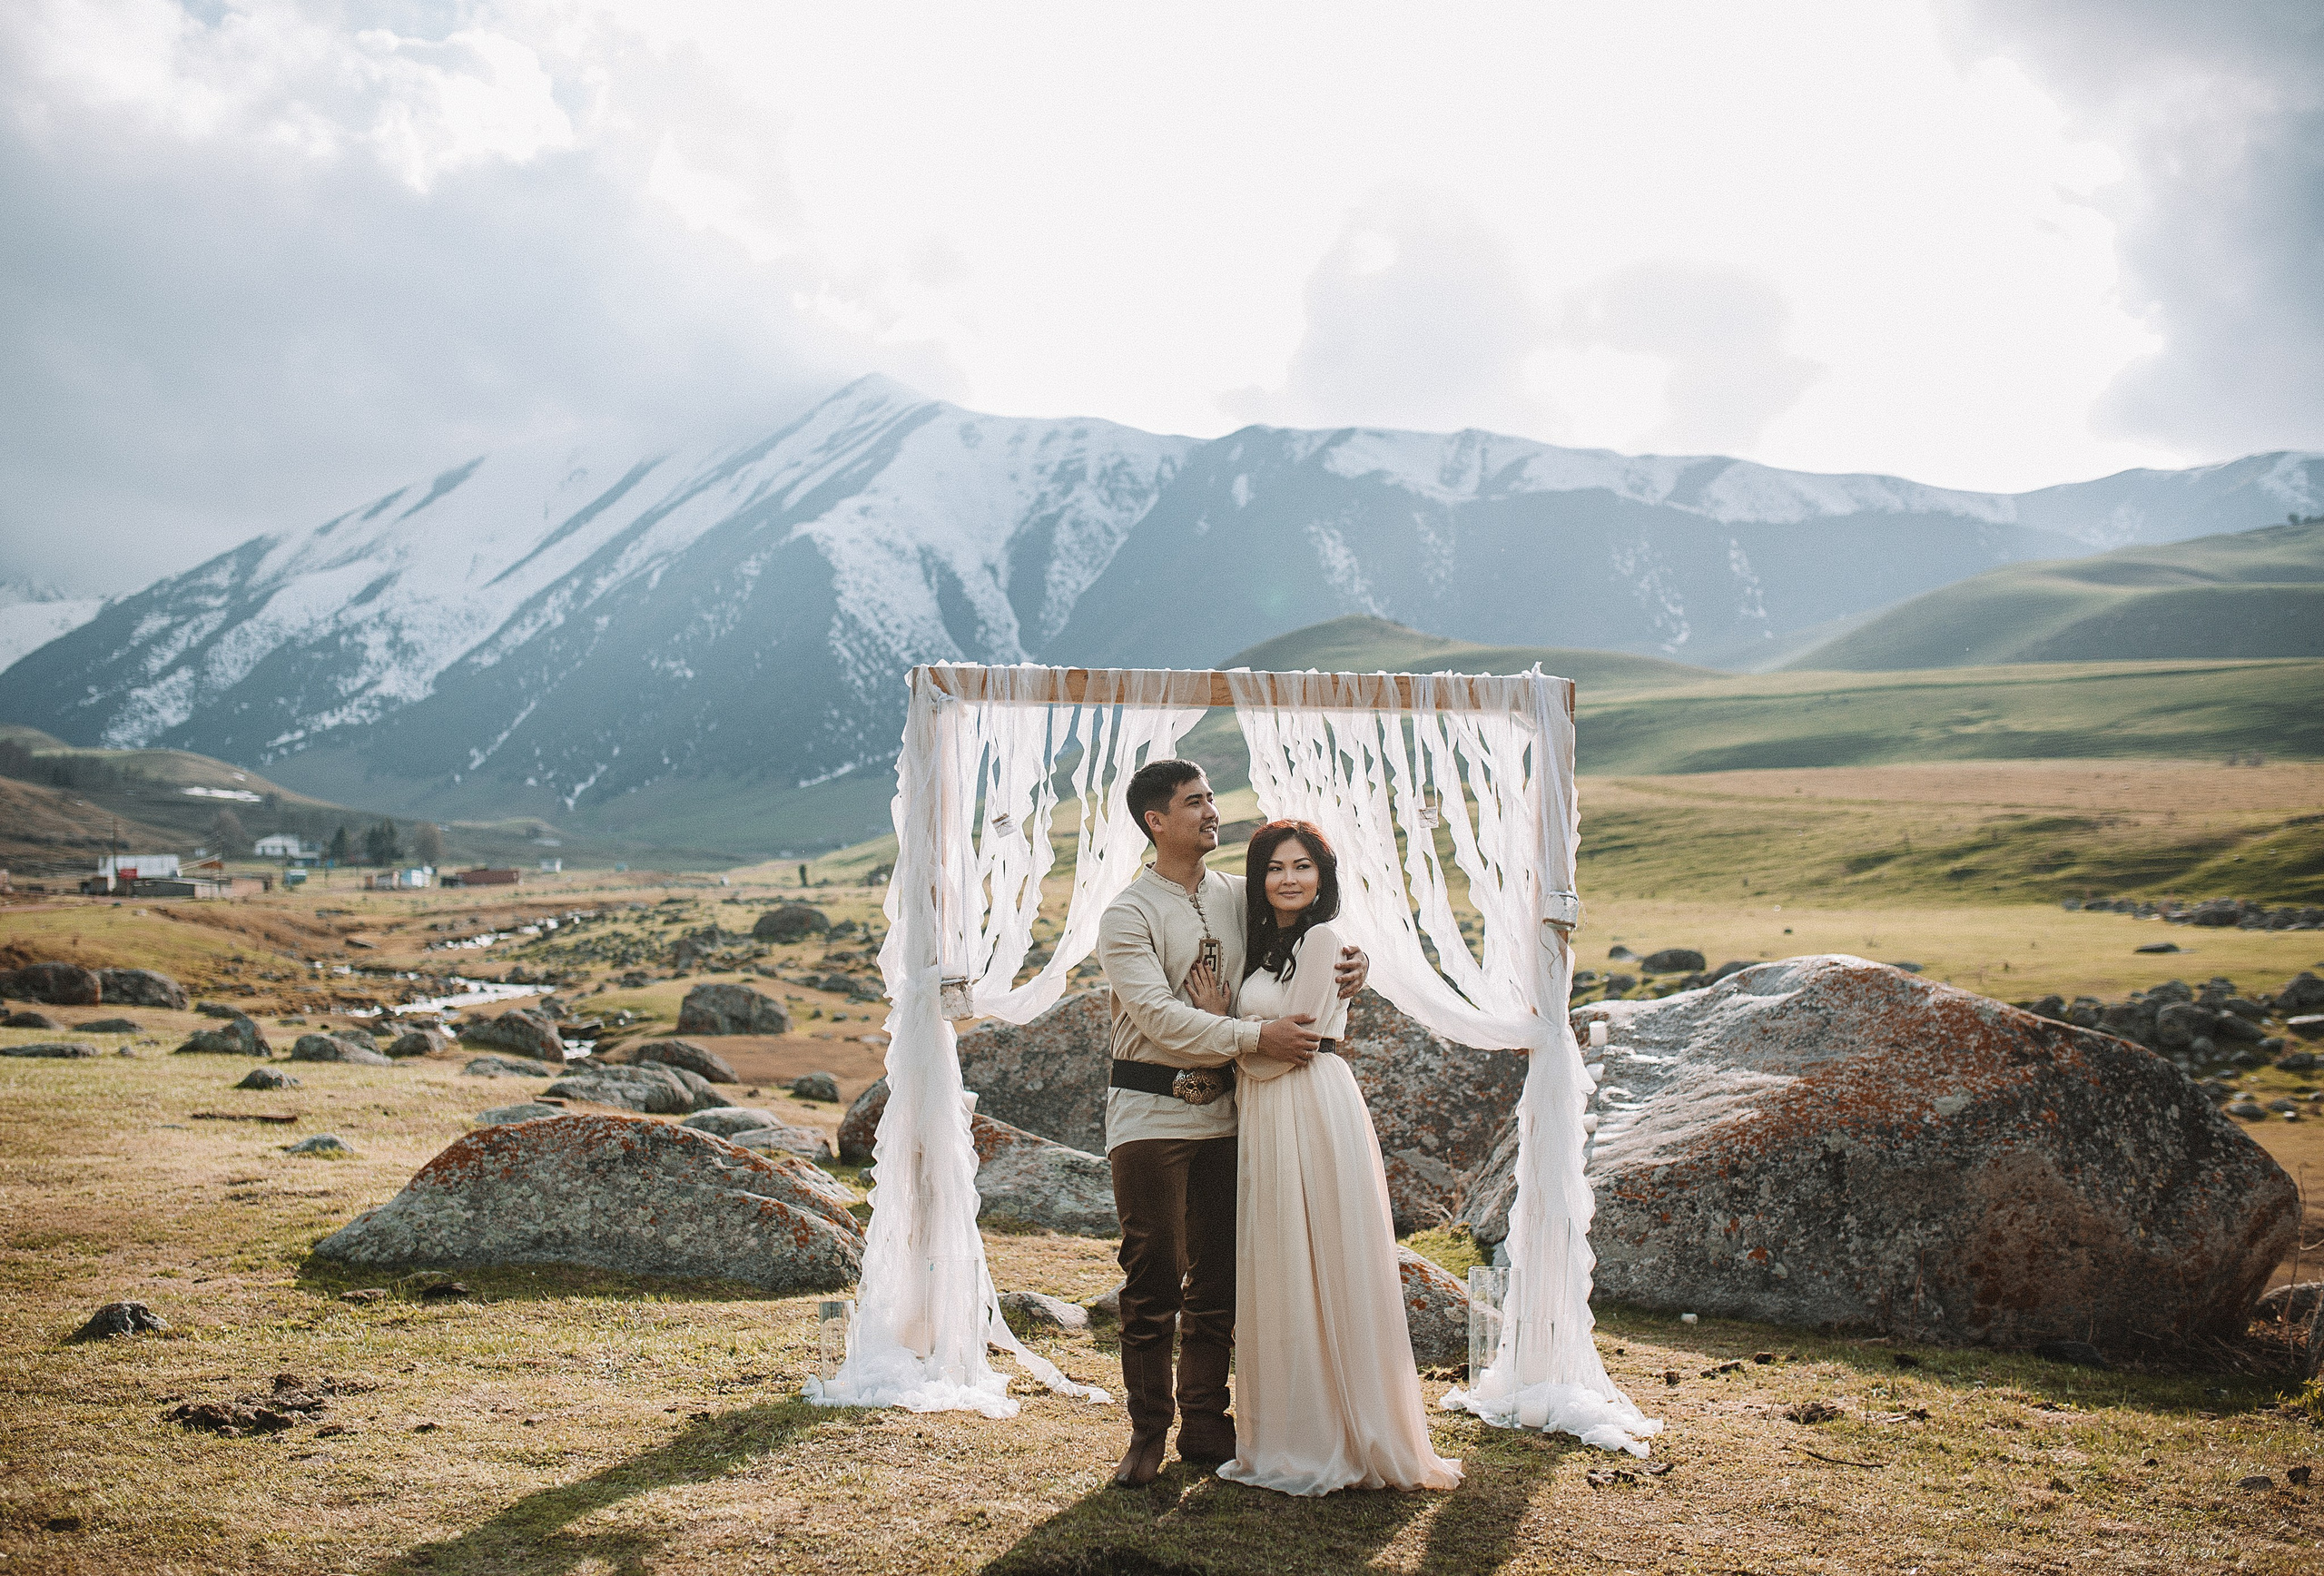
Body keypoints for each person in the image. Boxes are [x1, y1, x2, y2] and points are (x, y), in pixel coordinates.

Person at [1096, 759, 1369, 1490]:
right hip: (1150, 1115)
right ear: (1157, 821)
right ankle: (1146, 1433)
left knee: (1218, 1281)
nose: (1213, 811)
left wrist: (1354, 963)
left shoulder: (1237, 896)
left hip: (1229, 1114)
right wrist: (1254, 1036)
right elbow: (1158, 1017)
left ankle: (1206, 1424)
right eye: (1196, 802)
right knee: (1152, 1276)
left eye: (1212, 797)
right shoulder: (1127, 915)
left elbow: (1298, 937)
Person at [1185, 819, 1462, 1496]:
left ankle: (1339, 1433)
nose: (1289, 879)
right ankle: (1292, 1429)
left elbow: (1296, 1046)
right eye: (1275, 868)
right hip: (1266, 1110)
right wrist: (1242, 1031)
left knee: (1324, 1256)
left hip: (1307, 1100)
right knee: (1282, 1262)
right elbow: (1269, 1041)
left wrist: (1223, 1029)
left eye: (1302, 866)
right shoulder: (1266, 945)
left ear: (1323, 876)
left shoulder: (1323, 940)